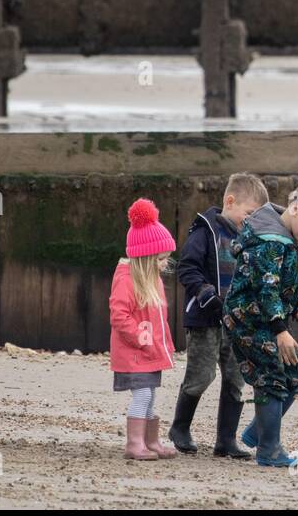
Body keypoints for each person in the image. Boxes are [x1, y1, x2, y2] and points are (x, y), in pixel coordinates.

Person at [225, 182, 298, 467]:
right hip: (248, 318)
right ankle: (269, 450)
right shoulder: (269, 241)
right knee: (272, 378)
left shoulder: (292, 239)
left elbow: (284, 284)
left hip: (271, 317)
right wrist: (281, 330)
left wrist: (295, 310)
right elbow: (265, 288)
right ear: (296, 209)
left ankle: (259, 432)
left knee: (296, 372)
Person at [168, 173, 270, 457]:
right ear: (230, 201)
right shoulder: (205, 231)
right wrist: (205, 293)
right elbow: (187, 268)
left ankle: (226, 440)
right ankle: (180, 427)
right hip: (205, 318)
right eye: (248, 213)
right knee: (201, 376)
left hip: (238, 322)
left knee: (236, 379)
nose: (250, 221)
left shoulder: (250, 240)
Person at [109, 198, 179, 461]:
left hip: (149, 353)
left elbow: (157, 318)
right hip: (135, 353)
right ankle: (135, 443)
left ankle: (151, 441)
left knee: (150, 396)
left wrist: (163, 345)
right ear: (145, 257)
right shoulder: (127, 280)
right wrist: (141, 337)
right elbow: (119, 315)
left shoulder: (152, 280)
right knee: (143, 394)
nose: (165, 263)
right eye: (161, 258)